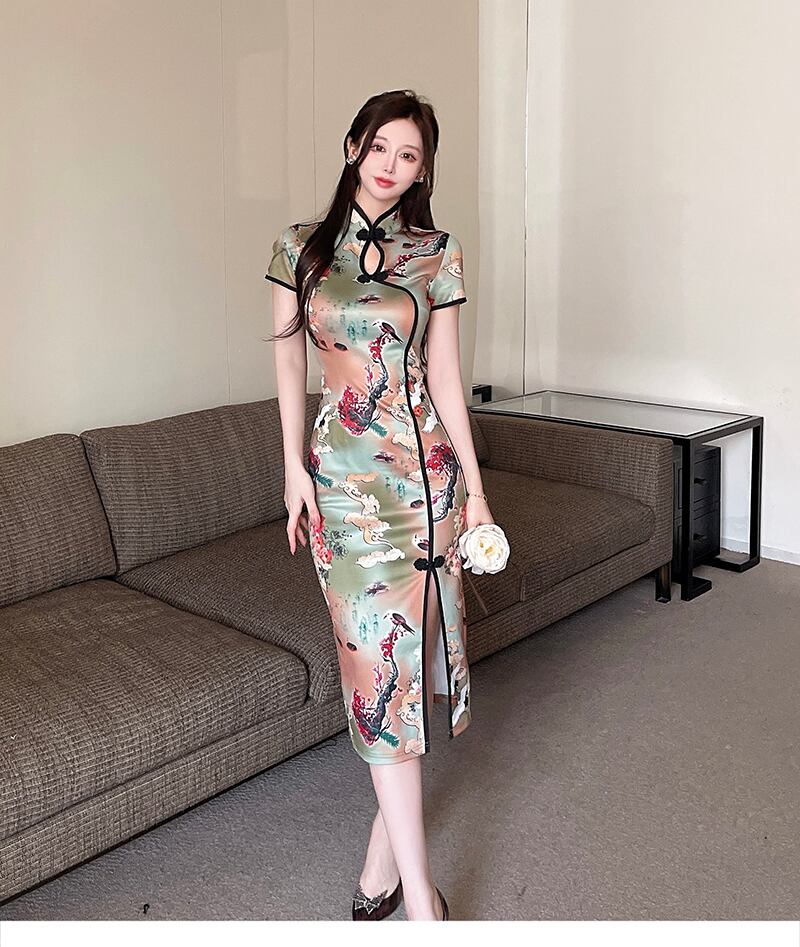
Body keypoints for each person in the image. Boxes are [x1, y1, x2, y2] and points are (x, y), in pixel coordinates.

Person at [265, 89, 494, 922]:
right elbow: (289, 363)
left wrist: (475, 493)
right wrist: (292, 468)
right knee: (374, 665)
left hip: (426, 482)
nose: (392, 165)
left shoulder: (436, 252)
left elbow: (446, 378)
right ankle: (423, 904)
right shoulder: (300, 247)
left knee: (406, 671)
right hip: (340, 486)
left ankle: (388, 868)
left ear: (425, 168)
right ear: (353, 146)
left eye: (410, 154)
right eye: (380, 147)